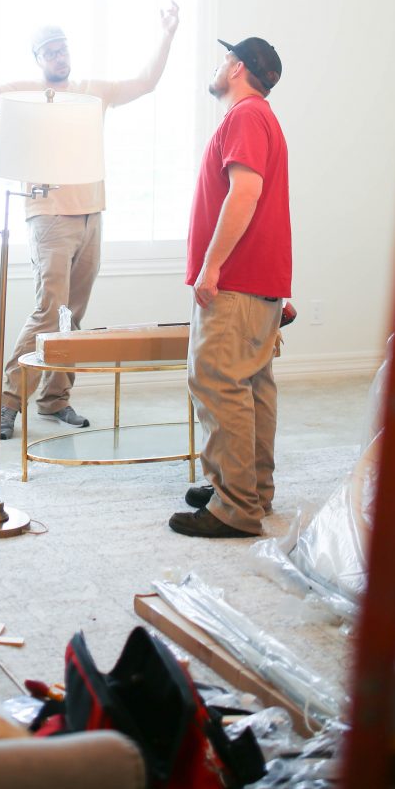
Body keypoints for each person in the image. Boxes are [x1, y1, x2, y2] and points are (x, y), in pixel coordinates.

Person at [0, 4, 180, 438]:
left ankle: (54, 399)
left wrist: (167, 34)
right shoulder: (26, 92)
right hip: (47, 214)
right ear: (38, 58)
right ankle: (9, 402)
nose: (59, 56)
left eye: (63, 48)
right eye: (50, 51)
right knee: (49, 311)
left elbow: (145, 82)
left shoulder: (91, 91)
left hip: (91, 213)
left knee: (72, 318)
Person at [168, 36, 291, 539]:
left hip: (235, 282)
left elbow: (246, 193)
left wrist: (211, 267)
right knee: (251, 386)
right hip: (258, 280)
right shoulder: (262, 119)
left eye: (224, 59)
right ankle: (249, 490)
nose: (217, 67)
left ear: (237, 67)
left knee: (218, 382)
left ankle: (235, 507)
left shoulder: (244, 117)